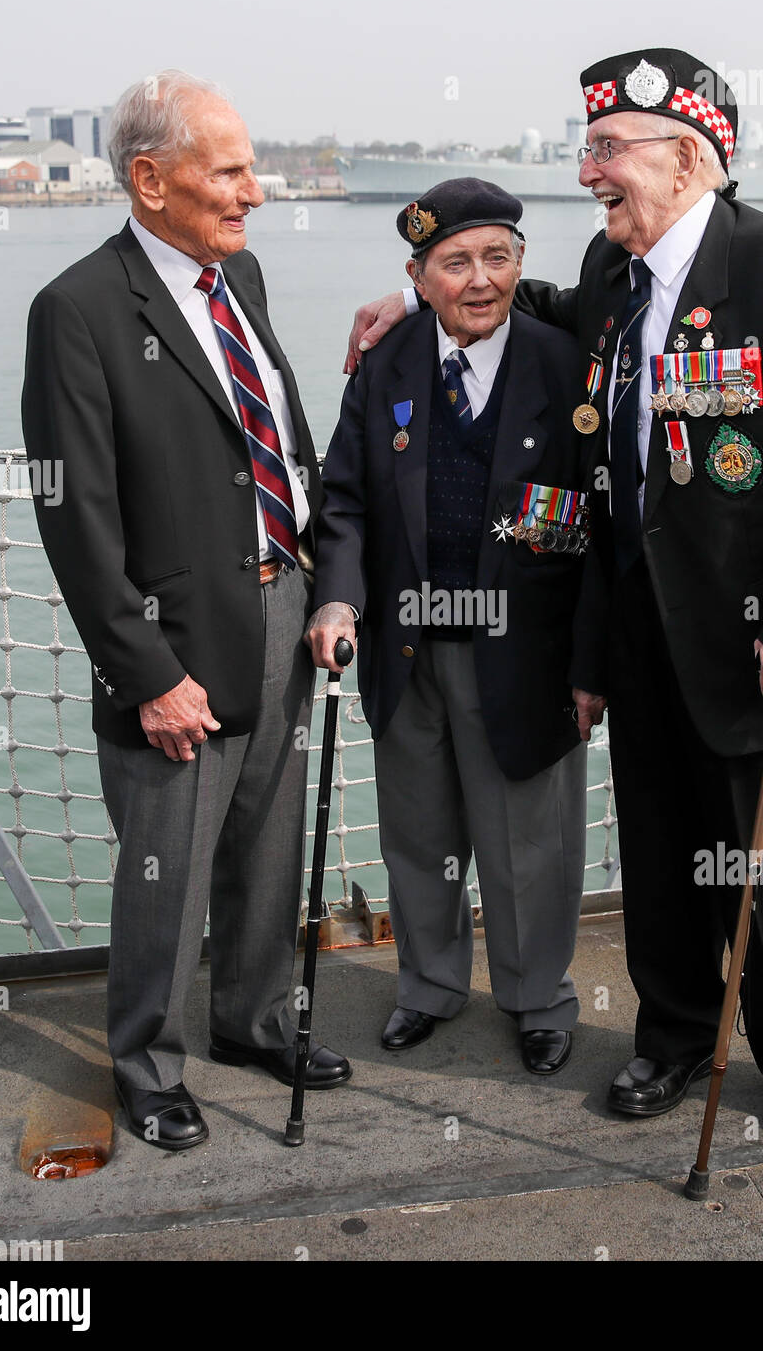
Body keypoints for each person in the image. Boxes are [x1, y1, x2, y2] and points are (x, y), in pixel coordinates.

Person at [346, 50, 763, 1153]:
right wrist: (421, 308)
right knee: (660, 851)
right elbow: (547, 308)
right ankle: (679, 1030)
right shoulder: (612, 273)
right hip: (644, 631)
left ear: (687, 157)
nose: (587, 169)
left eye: (607, 149)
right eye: (587, 145)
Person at [21, 69, 350, 1153]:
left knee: (265, 846)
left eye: (253, 168)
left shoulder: (237, 275)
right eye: (232, 171)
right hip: (175, 649)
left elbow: (278, 440)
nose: (256, 191)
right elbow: (78, 522)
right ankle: (148, 1067)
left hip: (281, 612)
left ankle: (254, 1022)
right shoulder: (75, 311)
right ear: (150, 179)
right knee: (165, 867)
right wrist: (147, 673)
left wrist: (315, 575)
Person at [308, 179, 596, 1074]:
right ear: (417, 277)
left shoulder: (566, 362)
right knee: (419, 837)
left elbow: (606, 530)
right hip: (406, 646)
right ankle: (427, 988)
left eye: (498, 258)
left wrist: (591, 665)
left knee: (529, 848)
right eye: (455, 263)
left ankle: (535, 998)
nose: (480, 282)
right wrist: (337, 599)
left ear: (520, 264)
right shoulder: (386, 366)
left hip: (528, 654)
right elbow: (344, 500)